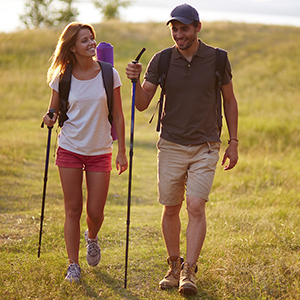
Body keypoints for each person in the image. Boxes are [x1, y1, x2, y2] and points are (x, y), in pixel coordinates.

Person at [126, 3, 238, 296]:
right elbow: (141, 104)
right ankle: (174, 265)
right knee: (171, 207)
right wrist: (135, 82)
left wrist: (233, 142)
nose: (178, 34)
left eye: (184, 28)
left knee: (196, 206)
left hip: (207, 145)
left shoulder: (217, 59)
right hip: (172, 144)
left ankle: (189, 269)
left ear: (197, 28)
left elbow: (229, 101)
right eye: (174, 29)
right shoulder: (161, 60)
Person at [43, 22, 128, 283]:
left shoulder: (109, 73)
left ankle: (92, 238)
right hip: (70, 147)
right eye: (85, 41)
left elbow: (119, 115)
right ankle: (73, 265)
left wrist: (122, 151)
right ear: (72, 47)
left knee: (95, 212)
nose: (92, 43)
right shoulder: (62, 77)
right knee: (73, 208)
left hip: (100, 149)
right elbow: (54, 110)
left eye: (92, 38)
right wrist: (48, 118)